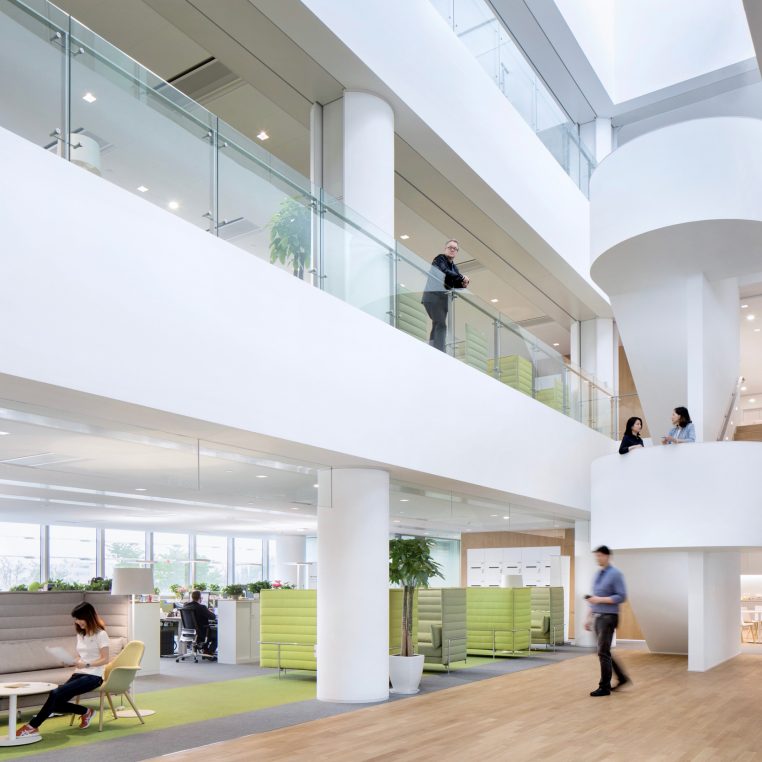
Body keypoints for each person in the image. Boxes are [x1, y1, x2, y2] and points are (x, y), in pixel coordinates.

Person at [16, 602, 109, 738]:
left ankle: (32, 726)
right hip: (79, 673)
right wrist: (71, 661)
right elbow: (82, 655)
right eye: (76, 619)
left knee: (55, 693)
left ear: (89, 617)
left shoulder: (101, 634)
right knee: (56, 701)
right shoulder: (81, 634)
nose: (77, 622)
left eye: (80, 618)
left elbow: (105, 659)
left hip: (94, 676)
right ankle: (86, 712)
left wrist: (87, 665)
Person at [585, 545, 630, 697]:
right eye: (596, 556)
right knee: (602, 651)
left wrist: (600, 599)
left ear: (607, 556)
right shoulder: (598, 574)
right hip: (598, 616)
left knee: (603, 652)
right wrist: (588, 617)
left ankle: (604, 687)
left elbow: (621, 596)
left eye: (599, 556)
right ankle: (622, 678)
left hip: (609, 617)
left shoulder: (615, 574)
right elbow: (594, 597)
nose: (597, 558)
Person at [421, 239, 470, 352]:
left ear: (457, 252)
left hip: (443, 301)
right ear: (445, 249)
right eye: (450, 247)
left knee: (437, 324)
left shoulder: (455, 268)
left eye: (455, 249)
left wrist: (463, 284)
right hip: (432, 297)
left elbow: (455, 283)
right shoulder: (439, 259)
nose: (452, 250)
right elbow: (444, 271)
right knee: (441, 324)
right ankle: (440, 351)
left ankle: (433, 349)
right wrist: (462, 277)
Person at [183, 590, 217, 655]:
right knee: (217, 634)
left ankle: (205, 650)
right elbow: (213, 617)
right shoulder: (202, 607)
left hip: (189, 633)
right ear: (200, 598)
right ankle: (209, 652)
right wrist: (209, 611)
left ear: (192, 597)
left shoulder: (185, 606)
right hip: (201, 633)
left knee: (208, 631)